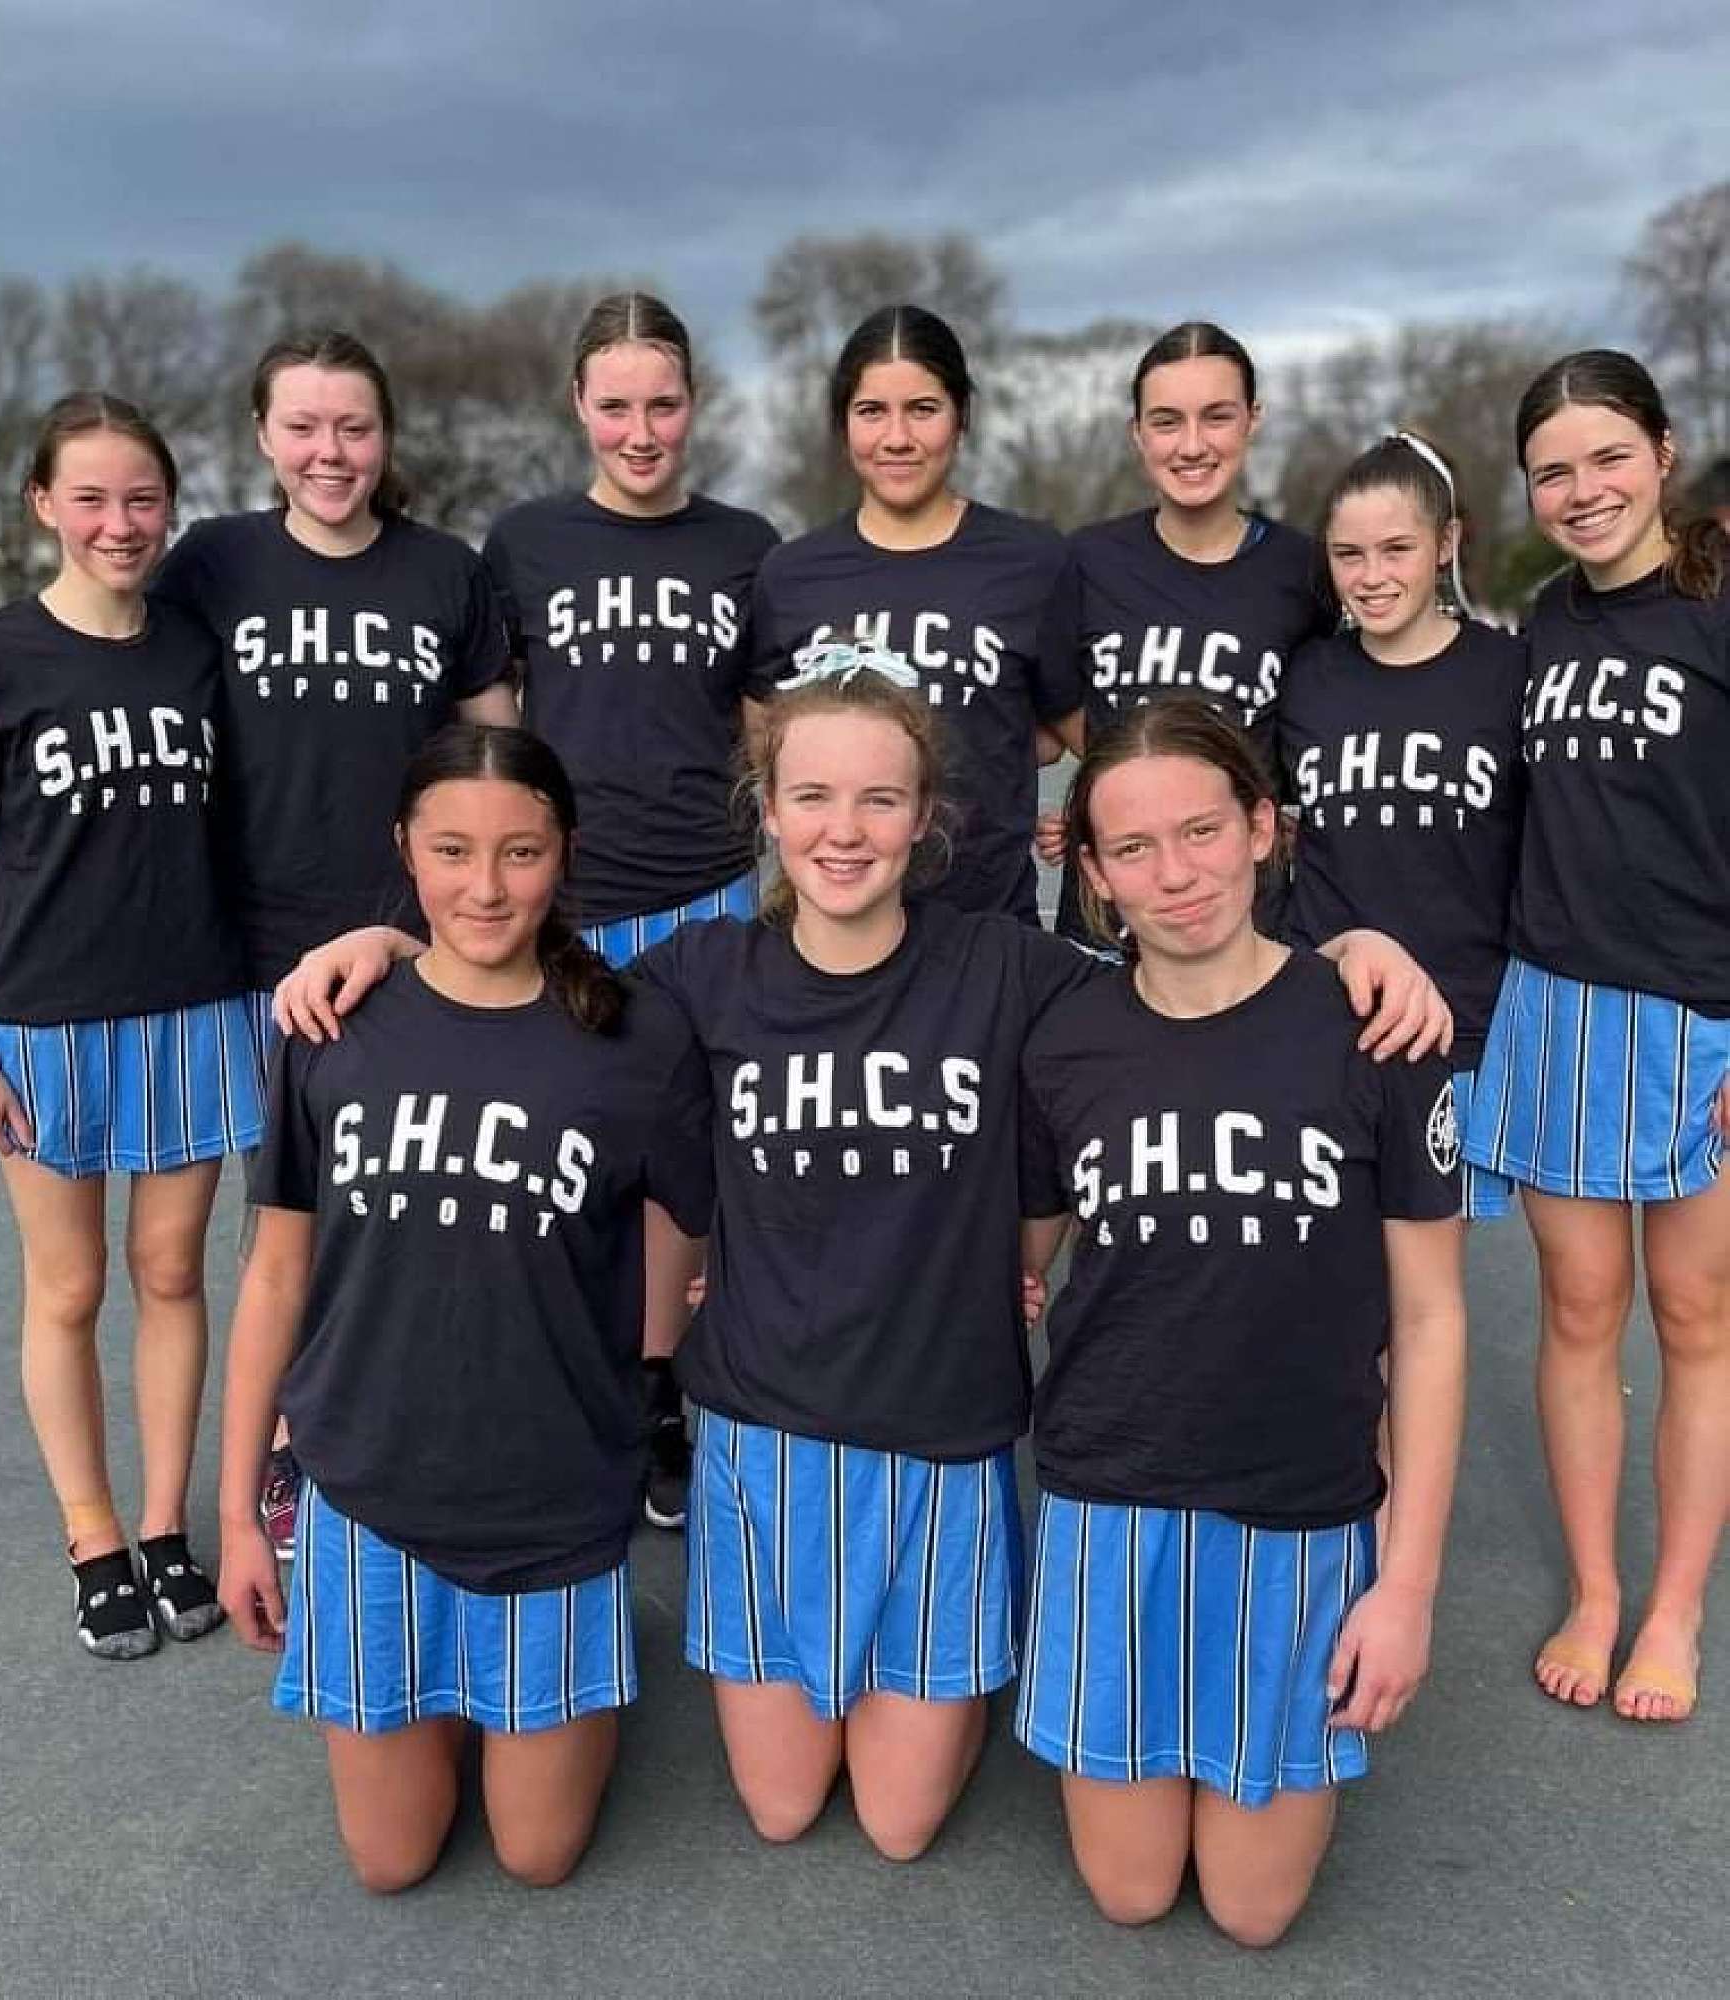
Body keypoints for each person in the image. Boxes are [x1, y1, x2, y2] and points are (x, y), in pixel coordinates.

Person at [276, 650, 1453, 1863]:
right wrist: (386, 944)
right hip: (762, 1434)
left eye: (879, 799)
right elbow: (522, 987)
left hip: (942, 1438)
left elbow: (1188, 972)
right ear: (767, 809)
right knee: (783, 1805)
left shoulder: (1005, 969)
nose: (843, 830)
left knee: (897, 1823)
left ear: (925, 815)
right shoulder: (701, 974)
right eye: (813, 796)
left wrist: (1352, 951)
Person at [0, 328, 517, 1560]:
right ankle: (278, 1456)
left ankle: (424, 1442)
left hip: (410, 948)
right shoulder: (211, 566)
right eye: (303, 426)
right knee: (276, 1233)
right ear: (262, 437)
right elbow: (88, 636)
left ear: (385, 436)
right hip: (243, 960)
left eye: (353, 426)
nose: (329, 451)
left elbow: (495, 755)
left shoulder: (444, 571)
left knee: (426, 1210)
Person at [215, 723, 710, 1893]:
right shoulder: (333, 1021)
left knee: (538, 1853)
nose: (484, 886)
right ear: (404, 847)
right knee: (390, 1860)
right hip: (372, 1486)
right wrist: (238, 1515)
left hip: (550, 1495)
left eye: (519, 852)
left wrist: (653, 1362)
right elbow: (275, 1274)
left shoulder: (634, 1034)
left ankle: (569, 1658)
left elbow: (702, 1223)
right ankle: (447, 1675)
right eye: (450, 851)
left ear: (564, 851)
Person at [1017, 697, 1466, 1945]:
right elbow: (1020, 1256)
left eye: (1202, 829)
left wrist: (1407, 1585)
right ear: (1093, 873)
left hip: (1298, 1504)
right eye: (1135, 847)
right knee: (1131, 1889)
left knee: (1252, 1908)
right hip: (1112, 1491)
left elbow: (1431, 1318)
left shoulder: (1374, 1025)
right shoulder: (1065, 1040)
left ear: (1264, 826)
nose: (1176, 873)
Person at [0, 393, 264, 1659]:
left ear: (169, 505)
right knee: (68, 1284)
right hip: (45, 1020)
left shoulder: (198, 648)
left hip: (191, 1001)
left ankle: (165, 1524)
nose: (120, 523)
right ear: (44, 505)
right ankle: (93, 1535)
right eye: (93, 498)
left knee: (172, 1271)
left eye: (142, 498)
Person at [1463, 350, 1730, 1723]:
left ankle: (1673, 1607)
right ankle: (1595, 1588)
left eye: (1607, 457)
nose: (1582, 490)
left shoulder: (1715, 605)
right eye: (1552, 471)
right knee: (1578, 1308)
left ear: (1662, 453)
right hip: (1558, 1003)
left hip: (1700, 1017)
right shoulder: (1546, 626)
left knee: (1694, 1312)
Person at [483, 291, 778, 1528]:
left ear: (693, 403)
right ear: (579, 406)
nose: (641, 430)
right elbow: (494, 723)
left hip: (705, 894)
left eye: (662, 403)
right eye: (616, 405)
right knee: (554, 1153)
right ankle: (559, 1383)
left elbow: (765, 729)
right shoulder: (525, 542)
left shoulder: (744, 544)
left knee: (682, 1161)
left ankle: (656, 1386)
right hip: (570, 899)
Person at [745, 304, 1085, 927]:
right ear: (842, 422)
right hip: (833, 930)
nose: (897, 438)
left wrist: (1080, 812)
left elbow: (1074, 731)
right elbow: (766, 742)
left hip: (988, 928)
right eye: (872, 411)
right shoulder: (791, 575)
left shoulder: (1032, 561)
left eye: (923, 409)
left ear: (962, 416)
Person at [1278, 432, 1529, 1221]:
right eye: (1347, 555)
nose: (1371, 576)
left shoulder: (1508, 672)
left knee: (1429, 1259)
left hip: (1459, 1021)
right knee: (1329, 1262)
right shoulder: (1305, 678)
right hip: (1325, 1017)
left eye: (1396, 549)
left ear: (1445, 542)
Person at [1041, 321, 1328, 938]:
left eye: (1216, 417)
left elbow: (1328, 719)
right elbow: (1056, 702)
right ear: (1137, 432)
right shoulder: (1086, 560)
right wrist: (1123, 782)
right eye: (1167, 421)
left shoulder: (1304, 570)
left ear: (1252, 420)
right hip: (1109, 917)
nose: (1191, 445)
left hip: (1247, 918)